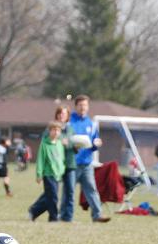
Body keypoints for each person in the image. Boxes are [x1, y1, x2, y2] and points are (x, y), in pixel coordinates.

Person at [69, 95, 110, 223]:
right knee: (69, 191)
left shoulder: (91, 124)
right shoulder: (69, 122)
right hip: (72, 163)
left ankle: (97, 215)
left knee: (92, 189)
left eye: (85, 105)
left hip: (87, 163)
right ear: (76, 106)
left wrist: (96, 144)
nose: (83, 107)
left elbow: (93, 142)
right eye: (80, 105)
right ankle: (66, 216)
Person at [28, 121, 65, 222]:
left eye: (58, 130)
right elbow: (41, 160)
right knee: (53, 197)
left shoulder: (59, 144)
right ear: (49, 131)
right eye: (54, 130)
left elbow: (61, 159)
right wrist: (39, 174)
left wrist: (62, 169)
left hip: (57, 175)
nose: (56, 132)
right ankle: (53, 217)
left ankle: (34, 211)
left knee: (49, 196)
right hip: (48, 174)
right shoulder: (44, 144)